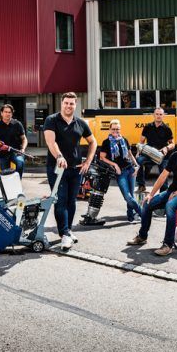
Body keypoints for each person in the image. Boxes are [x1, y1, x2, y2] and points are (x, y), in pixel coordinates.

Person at [127, 131, 177, 257]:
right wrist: (151, 194)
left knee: (170, 205)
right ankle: (142, 236)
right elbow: (163, 176)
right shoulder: (174, 156)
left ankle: (168, 245)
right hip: (173, 191)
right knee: (147, 203)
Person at [43, 92, 98, 250]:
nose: (69, 106)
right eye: (66, 103)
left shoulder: (80, 123)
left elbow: (93, 142)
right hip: (56, 168)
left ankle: (68, 230)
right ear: (62, 103)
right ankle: (64, 233)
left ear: (75, 105)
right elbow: (50, 141)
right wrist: (59, 156)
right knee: (61, 200)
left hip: (75, 169)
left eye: (71, 103)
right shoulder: (52, 120)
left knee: (71, 201)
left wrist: (88, 161)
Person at [99, 119, 142, 223]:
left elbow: (130, 154)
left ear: (120, 129)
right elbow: (102, 157)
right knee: (128, 197)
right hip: (120, 172)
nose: (115, 131)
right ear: (109, 129)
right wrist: (115, 165)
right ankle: (143, 214)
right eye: (113, 129)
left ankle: (131, 216)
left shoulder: (124, 140)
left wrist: (137, 166)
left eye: (117, 129)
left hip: (130, 169)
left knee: (131, 195)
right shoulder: (106, 142)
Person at [135, 107, 174, 190]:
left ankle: (163, 193)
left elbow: (172, 144)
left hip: (163, 156)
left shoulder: (167, 129)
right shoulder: (148, 127)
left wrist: (166, 148)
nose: (158, 116)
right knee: (138, 160)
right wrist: (138, 153)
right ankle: (141, 185)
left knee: (164, 178)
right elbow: (141, 142)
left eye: (160, 114)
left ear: (163, 116)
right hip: (149, 155)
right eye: (157, 114)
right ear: (154, 115)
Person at [0, 104, 27, 177]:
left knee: (20, 162)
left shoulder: (17, 124)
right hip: (2, 153)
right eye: (5, 112)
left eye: (9, 112)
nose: (7, 114)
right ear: (1, 113)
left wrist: (23, 148)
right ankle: (8, 187)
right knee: (5, 175)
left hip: (16, 151)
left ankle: (17, 181)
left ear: (12, 113)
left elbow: (24, 139)